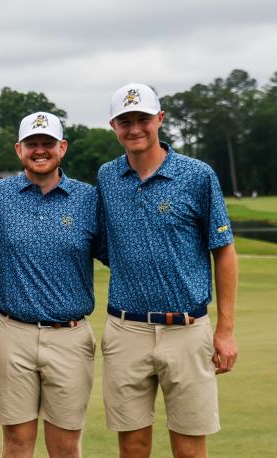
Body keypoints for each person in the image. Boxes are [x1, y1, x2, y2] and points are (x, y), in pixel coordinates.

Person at [98, 83, 238, 457]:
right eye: (125, 121)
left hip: (188, 331)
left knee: (190, 449)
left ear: (159, 119)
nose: (134, 129)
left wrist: (224, 331)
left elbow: (223, 251)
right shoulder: (106, 177)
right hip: (126, 329)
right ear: (113, 125)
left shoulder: (197, 175)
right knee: (133, 448)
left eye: (142, 119)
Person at [0, 111, 107, 457]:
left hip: (70, 335)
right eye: (32, 144)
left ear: (62, 148)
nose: (40, 151)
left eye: (47, 144)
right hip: (10, 333)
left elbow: (113, 253)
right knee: (17, 443)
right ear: (19, 149)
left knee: (66, 446)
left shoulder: (88, 198)